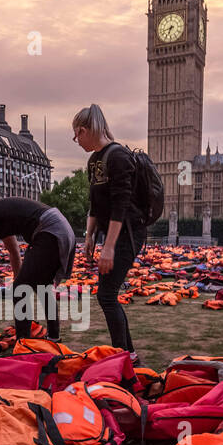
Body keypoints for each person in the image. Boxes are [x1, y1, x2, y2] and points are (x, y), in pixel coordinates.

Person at [0, 186, 76, 340]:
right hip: (60, 226)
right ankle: (53, 337)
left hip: (50, 230)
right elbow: (14, 252)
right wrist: (20, 280)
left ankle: (23, 342)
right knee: (42, 286)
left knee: (21, 289)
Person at [75, 104, 145, 358]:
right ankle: (127, 353)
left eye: (77, 135)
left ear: (85, 130)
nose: (77, 141)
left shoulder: (118, 156)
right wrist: (90, 236)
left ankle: (123, 355)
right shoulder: (94, 160)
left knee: (106, 295)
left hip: (127, 233)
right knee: (107, 295)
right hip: (112, 234)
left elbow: (121, 206)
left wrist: (110, 247)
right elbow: (95, 204)